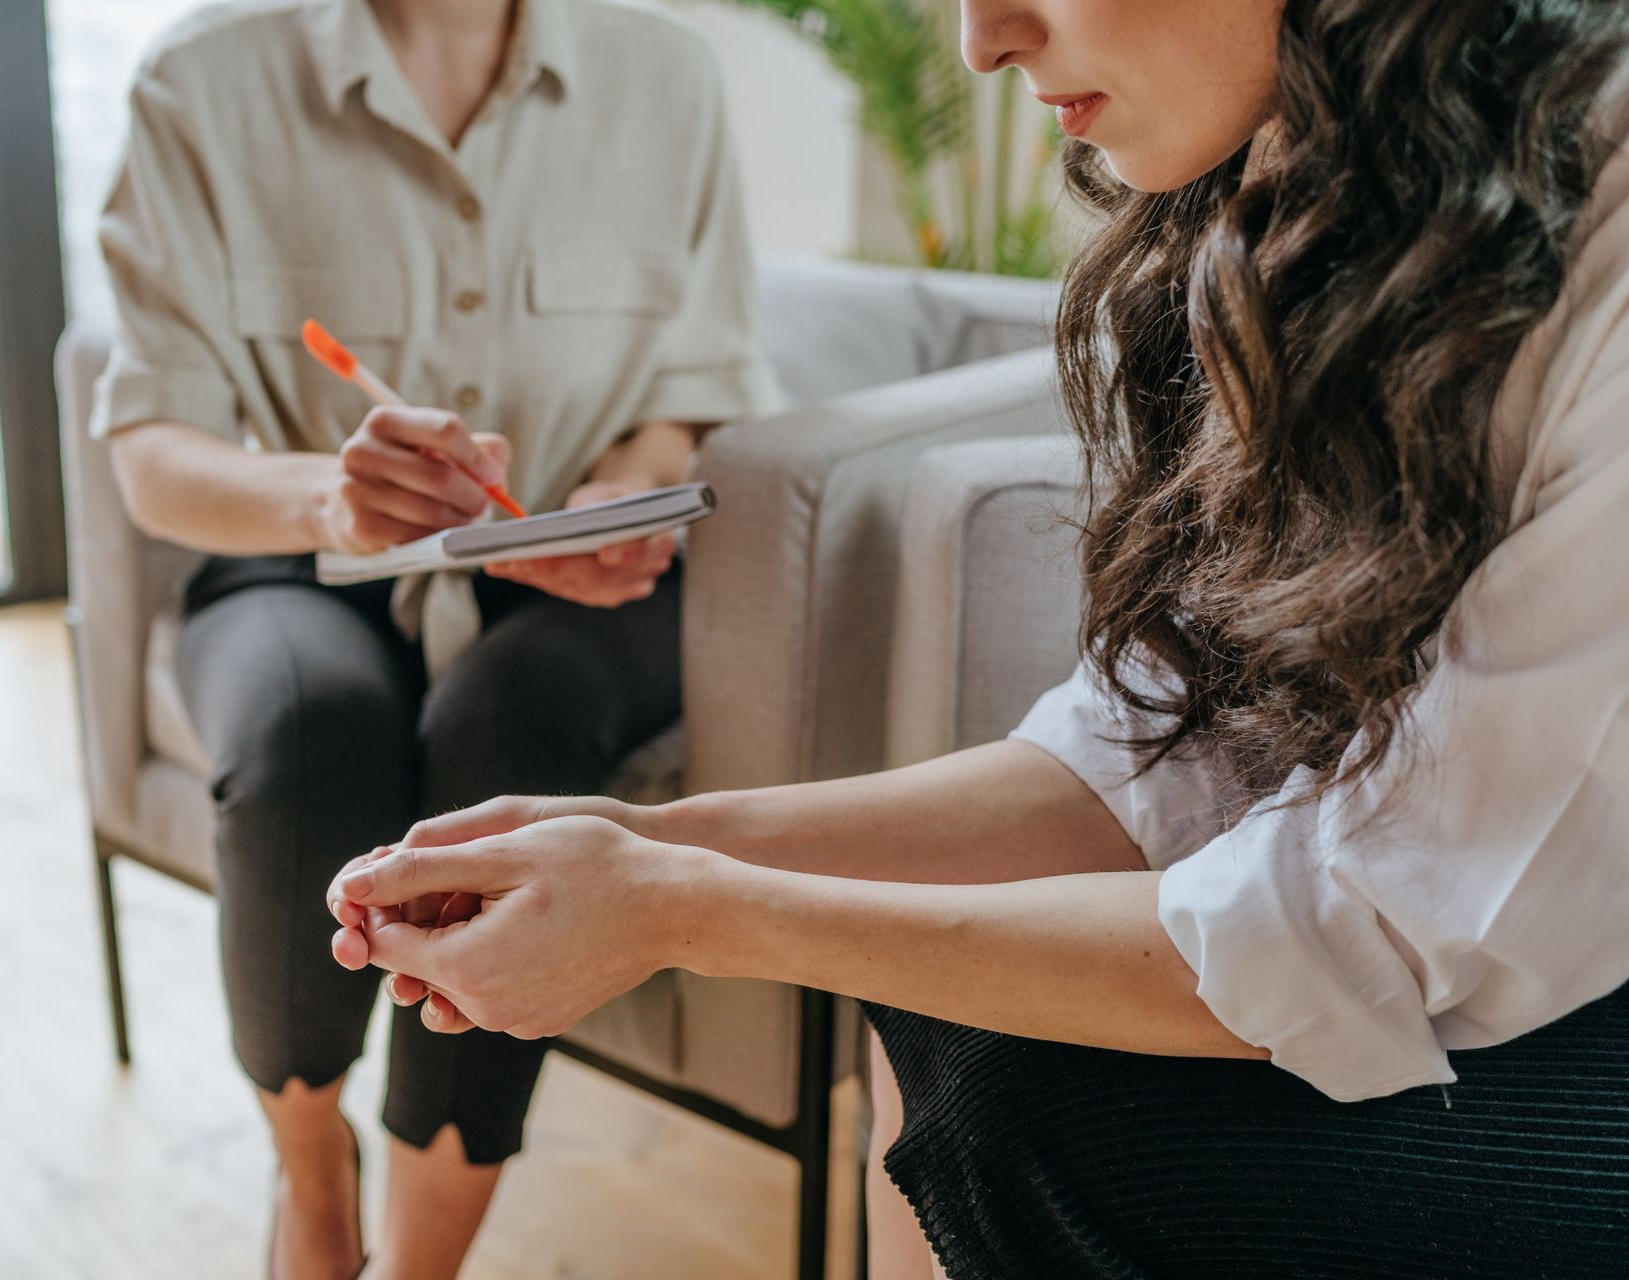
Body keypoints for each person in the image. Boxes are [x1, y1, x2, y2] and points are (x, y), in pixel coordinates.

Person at [324, 1, 1629, 1276]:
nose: (979, 39)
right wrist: (658, 842)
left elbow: (1380, 925)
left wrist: (683, 909)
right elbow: (1157, 741)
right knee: (949, 1011)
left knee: (1034, 1110)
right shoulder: (1290, 188)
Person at [90, 0, 774, 1275]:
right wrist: (328, 498)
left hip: (575, 578)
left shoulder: (665, 77)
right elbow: (154, 456)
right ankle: (311, 1184)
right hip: (298, 556)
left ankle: (421, 1262)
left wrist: (609, 494)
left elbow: (694, 398)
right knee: (306, 736)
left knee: (507, 746)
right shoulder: (202, 79)